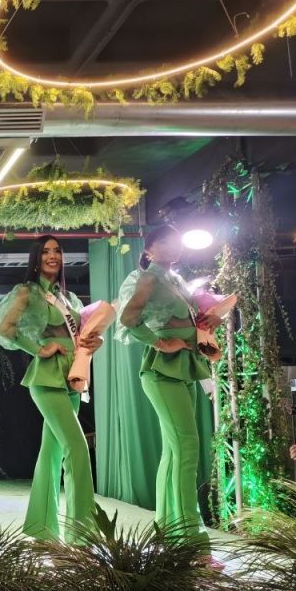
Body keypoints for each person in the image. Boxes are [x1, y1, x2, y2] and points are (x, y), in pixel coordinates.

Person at [117, 225, 219, 549]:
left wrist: (208, 322)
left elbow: (189, 320)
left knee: (175, 453)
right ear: (148, 250)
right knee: (187, 448)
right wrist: (160, 342)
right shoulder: (148, 278)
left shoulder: (177, 280)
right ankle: (192, 541)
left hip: (185, 368)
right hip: (161, 371)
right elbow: (128, 319)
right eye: (164, 240)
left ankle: (169, 532)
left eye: (176, 240)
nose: (173, 244)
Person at [0, 235, 102, 544]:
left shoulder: (69, 299)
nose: (53, 256)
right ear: (36, 258)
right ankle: (81, 538)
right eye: (46, 252)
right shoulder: (27, 292)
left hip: (72, 377)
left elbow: (81, 336)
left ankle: (43, 531)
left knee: (52, 453)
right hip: (46, 378)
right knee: (77, 449)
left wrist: (95, 342)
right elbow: (5, 330)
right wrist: (38, 349)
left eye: (57, 251)